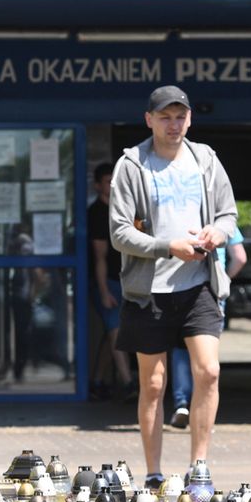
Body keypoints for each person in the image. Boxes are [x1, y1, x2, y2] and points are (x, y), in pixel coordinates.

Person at [110, 85, 238, 490]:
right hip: (149, 290)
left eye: (180, 116)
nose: (173, 124)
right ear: (149, 120)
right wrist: (168, 247)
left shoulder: (206, 160)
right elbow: (119, 233)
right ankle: (152, 473)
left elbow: (228, 213)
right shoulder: (132, 165)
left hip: (199, 284)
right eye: (165, 117)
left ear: (190, 119)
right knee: (153, 384)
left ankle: (199, 470)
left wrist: (216, 234)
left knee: (210, 372)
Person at [168, 227, 246, 429]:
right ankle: (202, 410)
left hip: (177, 288)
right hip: (212, 293)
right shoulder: (225, 224)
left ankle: (182, 404)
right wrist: (224, 280)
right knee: (207, 358)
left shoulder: (184, 220)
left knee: (180, 348)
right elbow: (240, 257)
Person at [86, 162, 136, 401]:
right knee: (116, 331)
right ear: (97, 186)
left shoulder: (125, 210)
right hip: (107, 283)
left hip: (126, 280)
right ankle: (128, 382)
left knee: (112, 333)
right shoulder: (96, 214)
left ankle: (96, 381)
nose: (112, 185)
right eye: (107, 181)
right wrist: (104, 290)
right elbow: (99, 257)